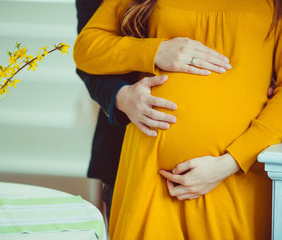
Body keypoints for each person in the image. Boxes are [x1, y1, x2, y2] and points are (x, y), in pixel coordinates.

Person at [74, 0, 282, 239]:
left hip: (235, 177)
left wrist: (232, 161)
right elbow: (86, 48)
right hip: (150, 171)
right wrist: (154, 51)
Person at [75, 0, 235, 221]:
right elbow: (88, 54)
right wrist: (121, 95)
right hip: (129, 155)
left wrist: (233, 161)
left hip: (233, 170)